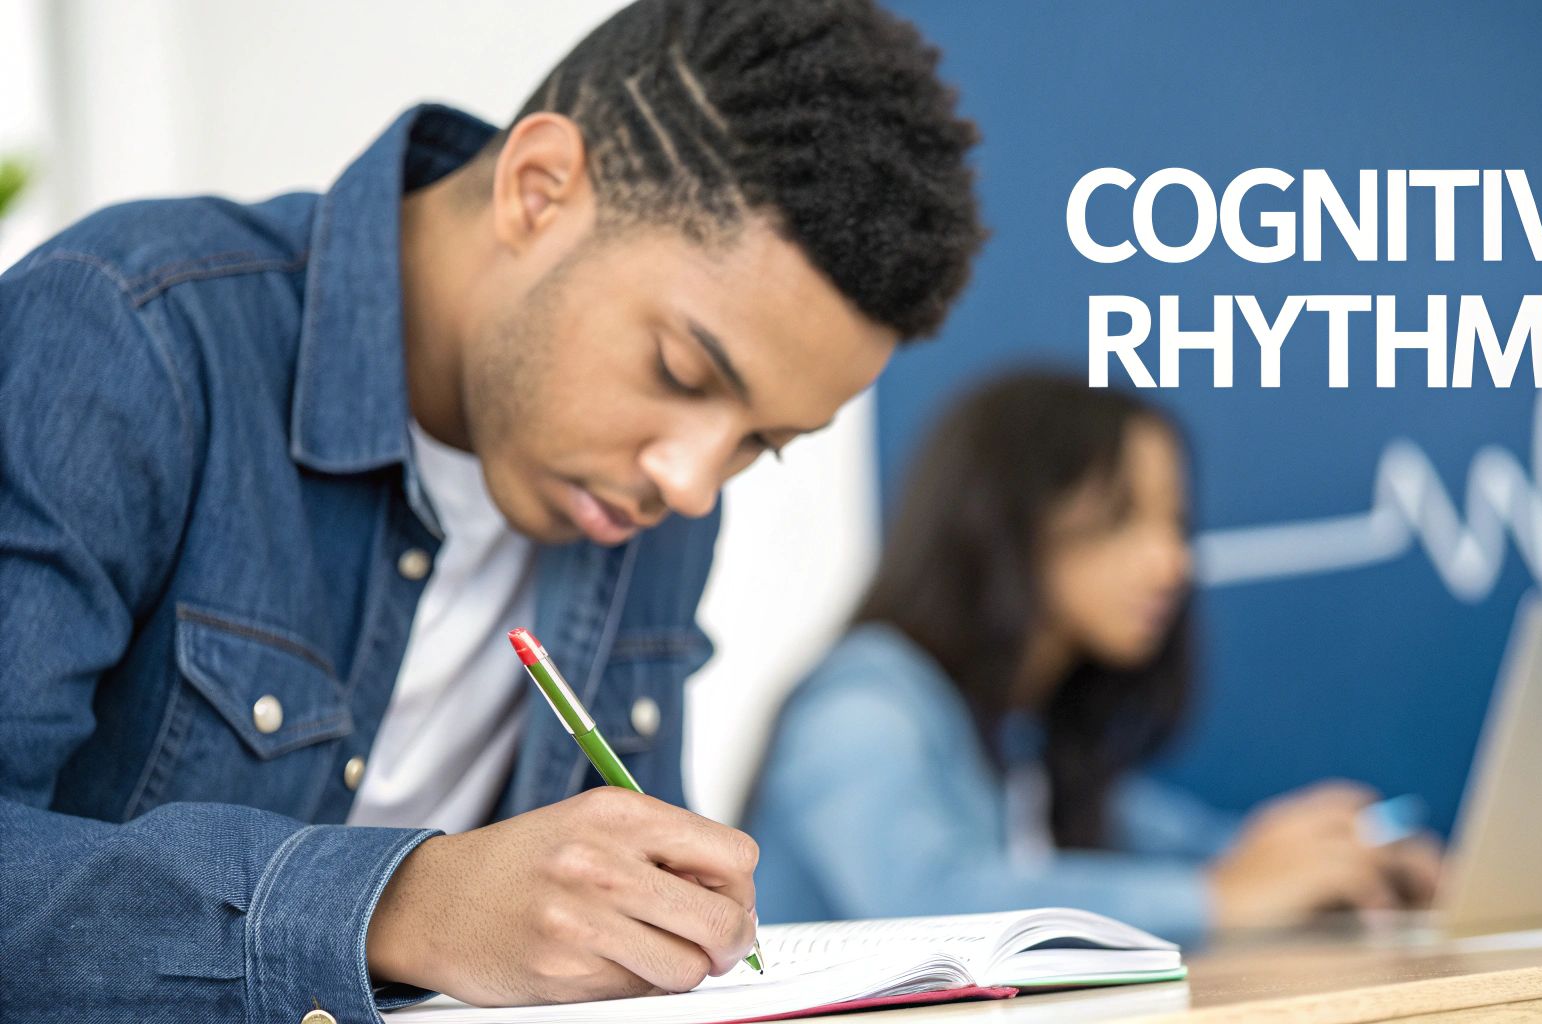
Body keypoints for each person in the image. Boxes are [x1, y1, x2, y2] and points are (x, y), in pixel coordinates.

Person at [0, 1, 983, 1020]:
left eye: (758, 443)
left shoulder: (645, 497)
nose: (691, 483)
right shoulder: (128, 336)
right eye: (678, 369)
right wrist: (405, 904)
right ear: (537, 189)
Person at [744, 372, 1441, 948]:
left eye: (1176, 522)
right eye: (1123, 517)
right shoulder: (865, 711)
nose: (1173, 563)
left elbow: (1188, 850)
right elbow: (930, 903)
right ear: (1005, 523)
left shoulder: (1025, 734)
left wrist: (1342, 860)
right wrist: (1221, 899)